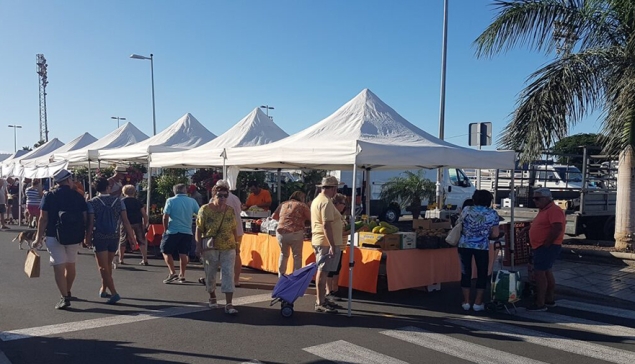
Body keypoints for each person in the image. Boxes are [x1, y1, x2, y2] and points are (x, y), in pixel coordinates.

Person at [34, 169, 88, 309]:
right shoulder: (78, 196)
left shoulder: (49, 196)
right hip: (74, 235)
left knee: (59, 265)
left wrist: (38, 237)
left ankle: (64, 296)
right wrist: (86, 234)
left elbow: (43, 218)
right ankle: (67, 291)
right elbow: (85, 216)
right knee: (71, 264)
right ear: (69, 180)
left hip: (54, 234)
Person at [86, 177, 136, 304]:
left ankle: (114, 292)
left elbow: (90, 223)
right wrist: (131, 236)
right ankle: (103, 289)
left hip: (100, 235)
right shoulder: (118, 202)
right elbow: (125, 221)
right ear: (108, 188)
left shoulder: (92, 203)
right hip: (114, 235)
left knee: (102, 267)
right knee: (108, 265)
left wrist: (87, 237)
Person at [196, 184, 239, 315]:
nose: (222, 198)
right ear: (213, 195)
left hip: (228, 246)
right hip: (210, 246)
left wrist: (237, 245)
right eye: (219, 195)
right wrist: (198, 246)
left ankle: (229, 304)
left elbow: (234, 228)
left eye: (225, 196)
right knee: (210, 273)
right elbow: (199, 228)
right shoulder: (205, 209)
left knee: (228, 274)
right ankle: (212, 296)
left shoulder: (230, 210)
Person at [457, 189, 500, 312]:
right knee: (482, 273)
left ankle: (466, 302)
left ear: (474, 199)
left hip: (464, 245)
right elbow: (495, 233)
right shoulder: (493, 213)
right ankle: (478, 302)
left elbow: (460, 223)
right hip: (482, 246)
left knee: (466, 272)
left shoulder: (467, 210)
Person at [528, 188, 565, 312]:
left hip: (546, 246)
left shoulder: (554, 210)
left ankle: (540, 303)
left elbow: (557, 228)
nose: (534, 201)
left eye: (537, 198)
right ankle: (549, 299)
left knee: (540, 273)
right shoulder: (544, 210)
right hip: (541, 246)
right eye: (533, 198)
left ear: (547, 198)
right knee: (546, 271)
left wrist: (546, 244)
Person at [311, 176, 341, 313]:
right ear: (333, 188)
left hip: (320, 240)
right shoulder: (326, 202)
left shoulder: (318, 200)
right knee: (323, 272)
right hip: (325, 242)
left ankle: (321, 298)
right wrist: (332, 245)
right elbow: (326, 224)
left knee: (323, 271)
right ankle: (320, 301)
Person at [161, 183, 200, 284]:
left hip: (172, 230)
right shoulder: (192, 201)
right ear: (185, 191)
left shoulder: (170, 200)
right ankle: (182, 274)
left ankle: (172, 271)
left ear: (175, 191)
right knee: (183, 253)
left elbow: (165, 216)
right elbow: (199, 213)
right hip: (187, 230)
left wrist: (165, 229)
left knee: (165, 251)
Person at [272, 190, 311, 276]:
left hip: (281, 232)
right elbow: (311, 218)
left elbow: (274, 216)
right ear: (302, 198)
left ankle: (281, 275)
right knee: (297, 256)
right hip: (295, 232)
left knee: (283, 254)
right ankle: (296, 276)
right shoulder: (302, 206)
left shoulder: (283, 204)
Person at [216, 180, 245, 286]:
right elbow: (240, 211)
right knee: (236, 254)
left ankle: (225, 278)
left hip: (224, 230)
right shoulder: (235, 198)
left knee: (222, 254)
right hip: (237, 229)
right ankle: (236, 280)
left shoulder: (217, 198)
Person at [118, 184, 149, 266]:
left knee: (122, 240)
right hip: (137, 222)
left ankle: (121, 259)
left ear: (123, 192)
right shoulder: (138, 202)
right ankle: (144, 258)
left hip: (125, 222)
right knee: (141, 241)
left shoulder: (122, 201)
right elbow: (144, 215)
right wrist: (145, 224)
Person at [326, 193, 349, 303]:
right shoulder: (334, 215)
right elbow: (339, 233)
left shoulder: (340, 215)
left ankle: (335, 289)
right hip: (335, 244)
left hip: (340, 245)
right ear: (337, 203)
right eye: (343, 203)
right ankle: (329, 291)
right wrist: (353, 230)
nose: (344, 206)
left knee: (336, 269)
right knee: (331, 269)